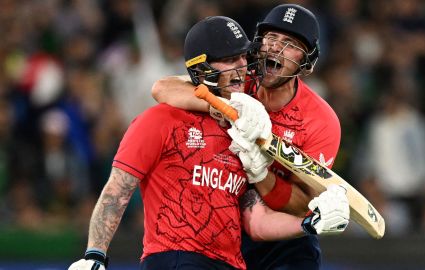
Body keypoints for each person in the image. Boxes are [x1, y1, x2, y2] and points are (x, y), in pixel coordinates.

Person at [69, 16, 349, 270]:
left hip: (233, 261)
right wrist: (95, 254)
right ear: (202, 70)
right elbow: (118, 188)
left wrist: (306, 220)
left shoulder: (241, 137)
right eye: (229, 60)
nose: (242, 67)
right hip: (175, 257)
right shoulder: (159, 119)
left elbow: (257, 223)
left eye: (242, 57)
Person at [151, 4, 342, 269]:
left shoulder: (320, 121)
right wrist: (225, 108)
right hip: (224, 230)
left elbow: (301, 205)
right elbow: (163, 88)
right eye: (271, 38)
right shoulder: (239, 82)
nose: (276, 47)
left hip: (285, 244)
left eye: (289, 43)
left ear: (307, 62)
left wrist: (261, 174)